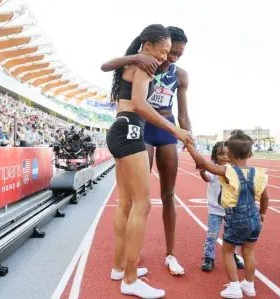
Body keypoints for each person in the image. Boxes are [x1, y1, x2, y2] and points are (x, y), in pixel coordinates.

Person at [106, 24, 193, 298]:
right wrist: (175, 129)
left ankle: (119, 267)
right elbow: (142, 105)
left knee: (124, 204)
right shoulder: (144, 66)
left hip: (120, 129)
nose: (166, 57)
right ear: (148, 45)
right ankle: (130, 280)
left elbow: (108, 65)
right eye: (164, 51)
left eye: (171, 53)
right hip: (133, 131)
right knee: (141, 206)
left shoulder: (132, 63)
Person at [186, 131, 269, 298]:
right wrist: (262, 214)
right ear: (250, 154)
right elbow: (265, 198)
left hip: (236, 218)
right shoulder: (258, 174)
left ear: (229, 154)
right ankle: (249, 284)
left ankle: (234, 286)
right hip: (254, 218)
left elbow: (204, 164)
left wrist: (189, 146)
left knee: (228, 252)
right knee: (249, 252)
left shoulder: (228, 171)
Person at [198, 142, 245, 272]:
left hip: (231, 210)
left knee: (232, 235)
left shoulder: (235, 170)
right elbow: (207, 179)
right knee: (212, 234)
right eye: (221, 154)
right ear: (215, 156)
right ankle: (209, 258)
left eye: (228, 154)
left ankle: (234, 255)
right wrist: (202, 172)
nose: (225, 157)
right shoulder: (214, 169)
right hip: (215, 210)